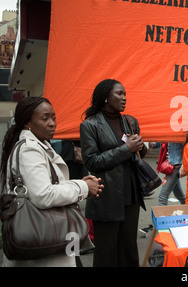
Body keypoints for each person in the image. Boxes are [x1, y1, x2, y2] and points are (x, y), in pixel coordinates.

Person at [0, 97, 103, 267]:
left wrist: (75, 184)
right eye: (45, 118)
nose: (52, 123)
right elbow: (43, 195)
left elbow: (48, 186)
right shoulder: (29, 148)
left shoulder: (39, 145)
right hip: (44, 243)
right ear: (27, 123)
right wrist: (83, 187)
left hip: (50, 239)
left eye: (53, 118)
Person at [80, 79, 146, 267]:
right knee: (106, 251)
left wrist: (140, 147)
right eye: (119, 93)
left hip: (131, 194)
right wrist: (126, 149)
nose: (124, 98)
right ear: (106, 98)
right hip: (106, 195)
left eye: (125, 93)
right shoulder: (90, 125)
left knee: (129, 248)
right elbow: (91, 161)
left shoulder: (130, 121)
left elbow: (138, 154)